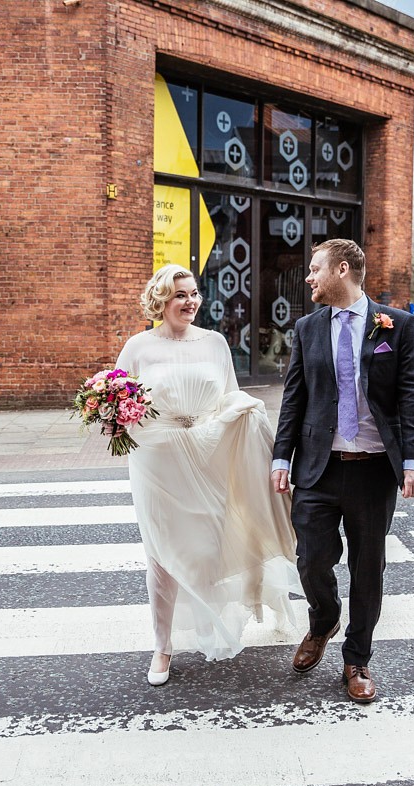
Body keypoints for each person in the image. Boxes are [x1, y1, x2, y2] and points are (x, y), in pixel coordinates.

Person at [115, 264, 302, 686]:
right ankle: (162, 645)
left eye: (194, 293)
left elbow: (227, 394)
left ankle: (210, 624)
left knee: (207, 550)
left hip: (208, 453)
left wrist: (247, 414)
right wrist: (112, 420)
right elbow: (117, 397)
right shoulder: (138, 347)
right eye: (180, 294)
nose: (190, 302)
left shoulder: (215, 342)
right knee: (161, 556)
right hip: (157, 459)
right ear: (162, 300)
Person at [271, 239, 414, 704]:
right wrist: (281, 457)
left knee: (367, 566)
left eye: (315, 269)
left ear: (342, 270)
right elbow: (294, 399)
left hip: (374, 469)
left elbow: (411, 394)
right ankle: (323, 620)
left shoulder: (395, 325)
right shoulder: (307, 328)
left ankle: (357, 659)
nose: (308, 278)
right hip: (318, 467)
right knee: (311, 558)